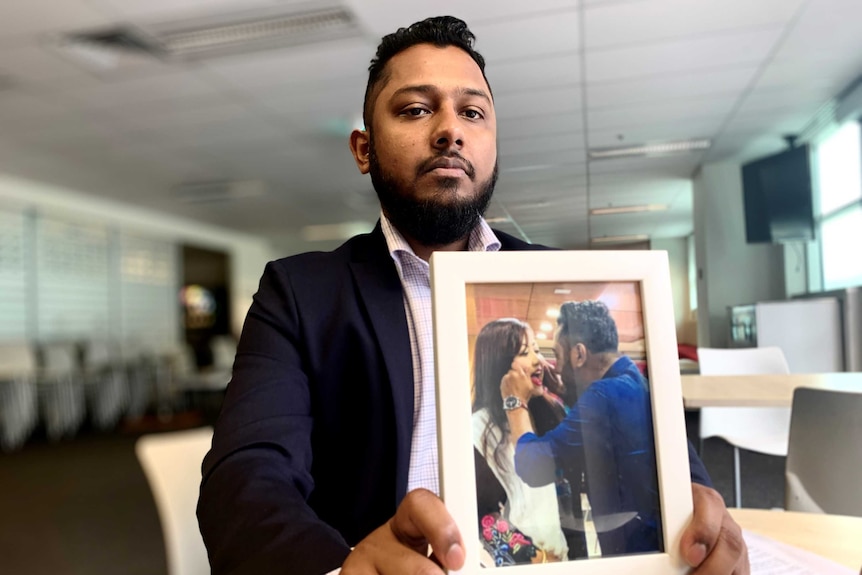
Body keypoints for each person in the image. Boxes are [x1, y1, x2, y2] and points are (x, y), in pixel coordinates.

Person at [197, 15, 750, 575]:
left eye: (473, 112)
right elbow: (244, 479)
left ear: (492, 141)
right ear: (363, 149)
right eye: (415, 109)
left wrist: (699, 512)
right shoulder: (301, 294)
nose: (450, 131)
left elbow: (672, 463)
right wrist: (341, 569)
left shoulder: (568, 275)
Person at [501, 300, 661, 556]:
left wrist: (514, 402)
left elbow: (534, 465)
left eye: (557, 355)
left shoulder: (602, 396)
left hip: (636, 556)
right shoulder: (631, 379)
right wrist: (562, 389)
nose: (551, 365)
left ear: (579, 354)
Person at [471, 318, 568, 564]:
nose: (537, 360)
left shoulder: (547, 412)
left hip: (564, 560)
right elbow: (484, 519)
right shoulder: (478, 429)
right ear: (500, 366)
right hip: (525, 565)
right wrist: (538, 559)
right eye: (525, 353)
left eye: (536, 349)